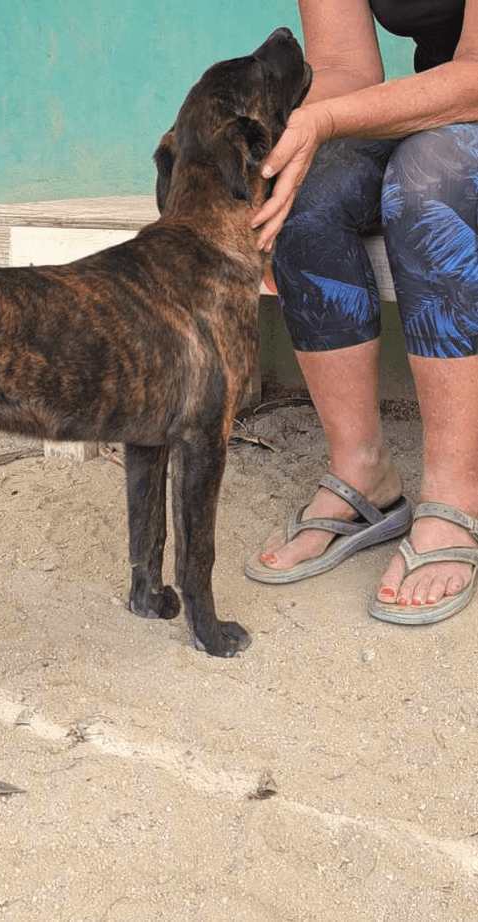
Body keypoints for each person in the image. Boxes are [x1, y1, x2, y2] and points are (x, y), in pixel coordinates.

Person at [245, 0, 478, 624]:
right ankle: (363, 472)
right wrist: (284, 138)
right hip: (439, 105)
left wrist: (320, 124)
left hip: (466, 98)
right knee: (308, 193)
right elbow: (345, 67)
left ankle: (457, 489)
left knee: (429, 192)